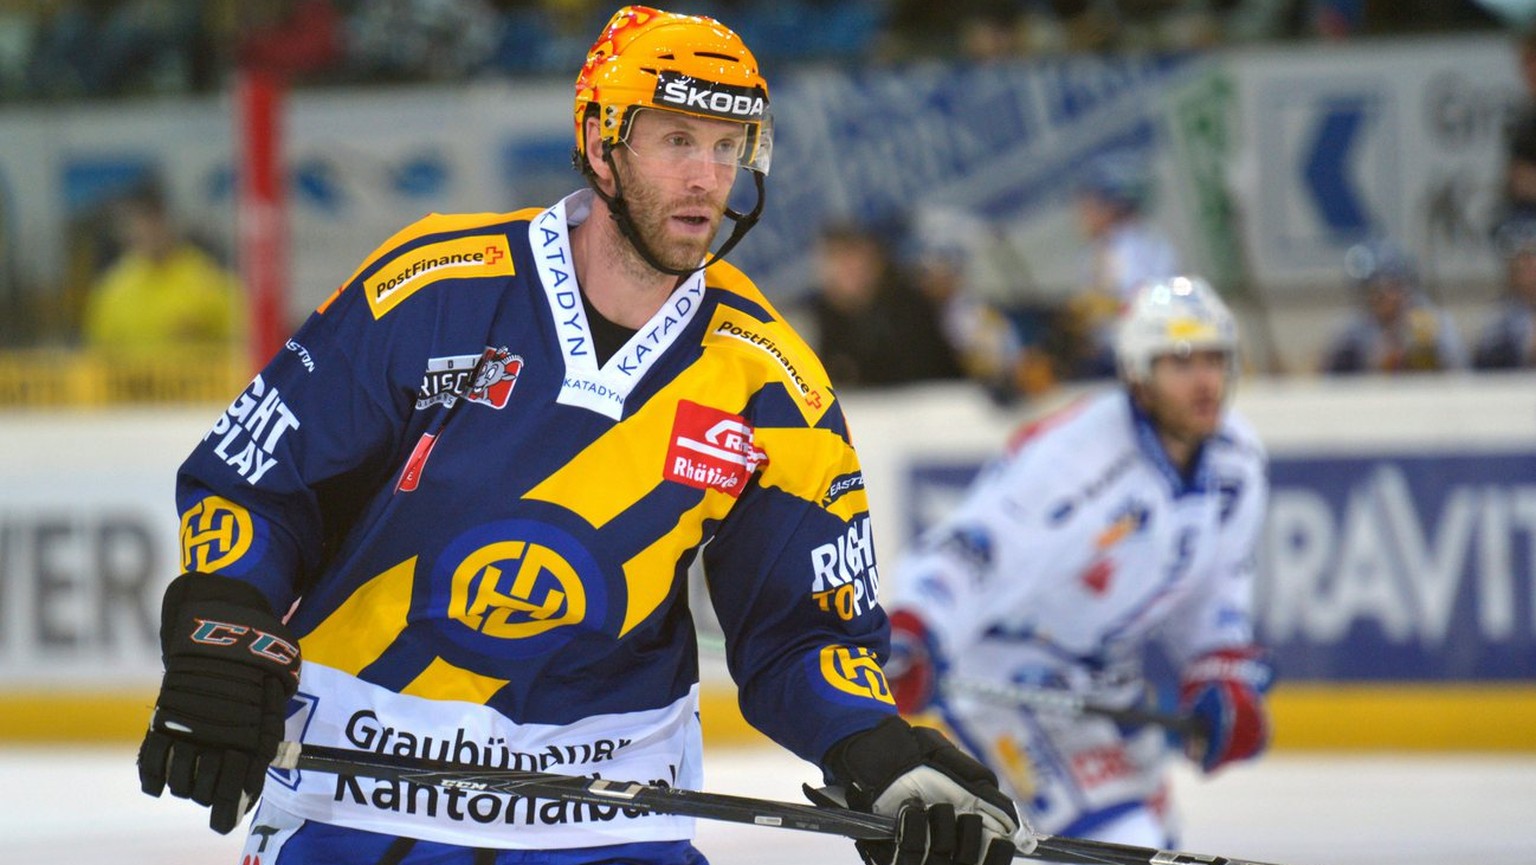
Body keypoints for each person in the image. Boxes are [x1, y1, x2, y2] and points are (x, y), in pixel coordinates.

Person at [135, 7, 1028, 865]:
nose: (706, 179)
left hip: (605, 823)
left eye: (726, 147)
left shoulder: (770, 380)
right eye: (676, 140)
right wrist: (225, 618)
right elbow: (257, 476)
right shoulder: (435, 284)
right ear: (603, 143)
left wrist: (873, 746)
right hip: (357, 801)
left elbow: (802, 633)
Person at [884, 276, 1273, 849]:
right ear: (1139, 373)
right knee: (1122, 840)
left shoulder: (1236, 462)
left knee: (1155, 841)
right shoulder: (1078, 459)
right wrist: (915, 628)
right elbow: (977, 546)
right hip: (1006, 666)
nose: (1205, 380)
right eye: (1180, 362)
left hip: (1103, 672)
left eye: (1216, 359)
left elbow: (1216, 587)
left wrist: (1218, 669)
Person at [80, 182, 243, 355]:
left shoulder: (210, 281)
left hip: (199, 381)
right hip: (132, 381)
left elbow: (241, 348)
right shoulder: (112, 289)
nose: (146, 231)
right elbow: (97, 357)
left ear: (170, 223)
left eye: (153, 221)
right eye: (138, 222)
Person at [1061, 149, 1182, 380]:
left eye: (1089, 203)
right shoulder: (1095, 253)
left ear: (1113, 206)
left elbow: (1141, 304)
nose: (1082, 213)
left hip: (1143, 359)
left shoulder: (1143, 249)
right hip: (1109, 359)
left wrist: (1090, 309)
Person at [801, 219, 965, 387]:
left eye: (854, 258)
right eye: (838, 260)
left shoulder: (909, 300)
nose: (850, 269)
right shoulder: (818, 328)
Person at [1318, 238, 1468, 375]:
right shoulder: (1354, 327)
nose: (1377, 298)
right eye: (1370, 292)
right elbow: (1330, 376)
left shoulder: (1430, 320)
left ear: (1402, 286)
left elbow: (1459, 370)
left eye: (1384, 290)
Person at [1473, 215, 1536, 369]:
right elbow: (1487, 364)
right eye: (1520, 260)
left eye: (1531, 258)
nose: (1526, 265)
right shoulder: (1497, 316)